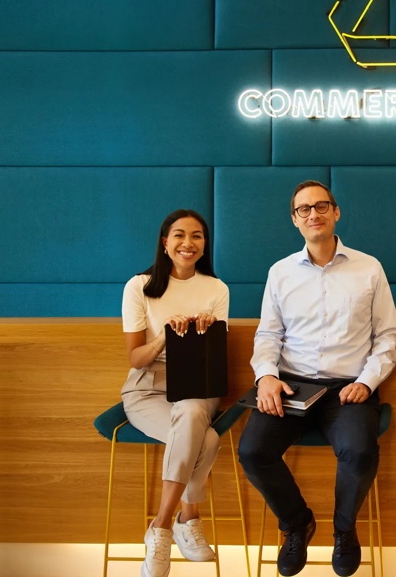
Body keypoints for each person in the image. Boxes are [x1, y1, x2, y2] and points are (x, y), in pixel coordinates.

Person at [238, 180, 396, 577]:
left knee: (360, 451)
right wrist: (266, 378)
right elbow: (268, 336)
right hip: (292, 385)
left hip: (347, 386)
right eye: (304, 209)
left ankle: (344, 531)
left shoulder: (369, 267)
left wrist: (367, 380)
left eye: (321, 206)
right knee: (252, 451)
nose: (314, 214)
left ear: (336, 212)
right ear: (295, 220)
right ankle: (297, 523)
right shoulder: (280, 273)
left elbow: (389, 336)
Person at [121, 209, 230, 577]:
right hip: (148, 387)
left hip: (198, 384)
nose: (188, 243)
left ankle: (161, 526)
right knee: (208, 439)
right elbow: (136, 359)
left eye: (197, 236)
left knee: (194, 410)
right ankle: (188, 516)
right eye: (180, 235)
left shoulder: (216, 289)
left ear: (204, 244)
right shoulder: (139, 286)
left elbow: (215, 358)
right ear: (164, 243)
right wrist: (164, 336)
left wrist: (205, 334)